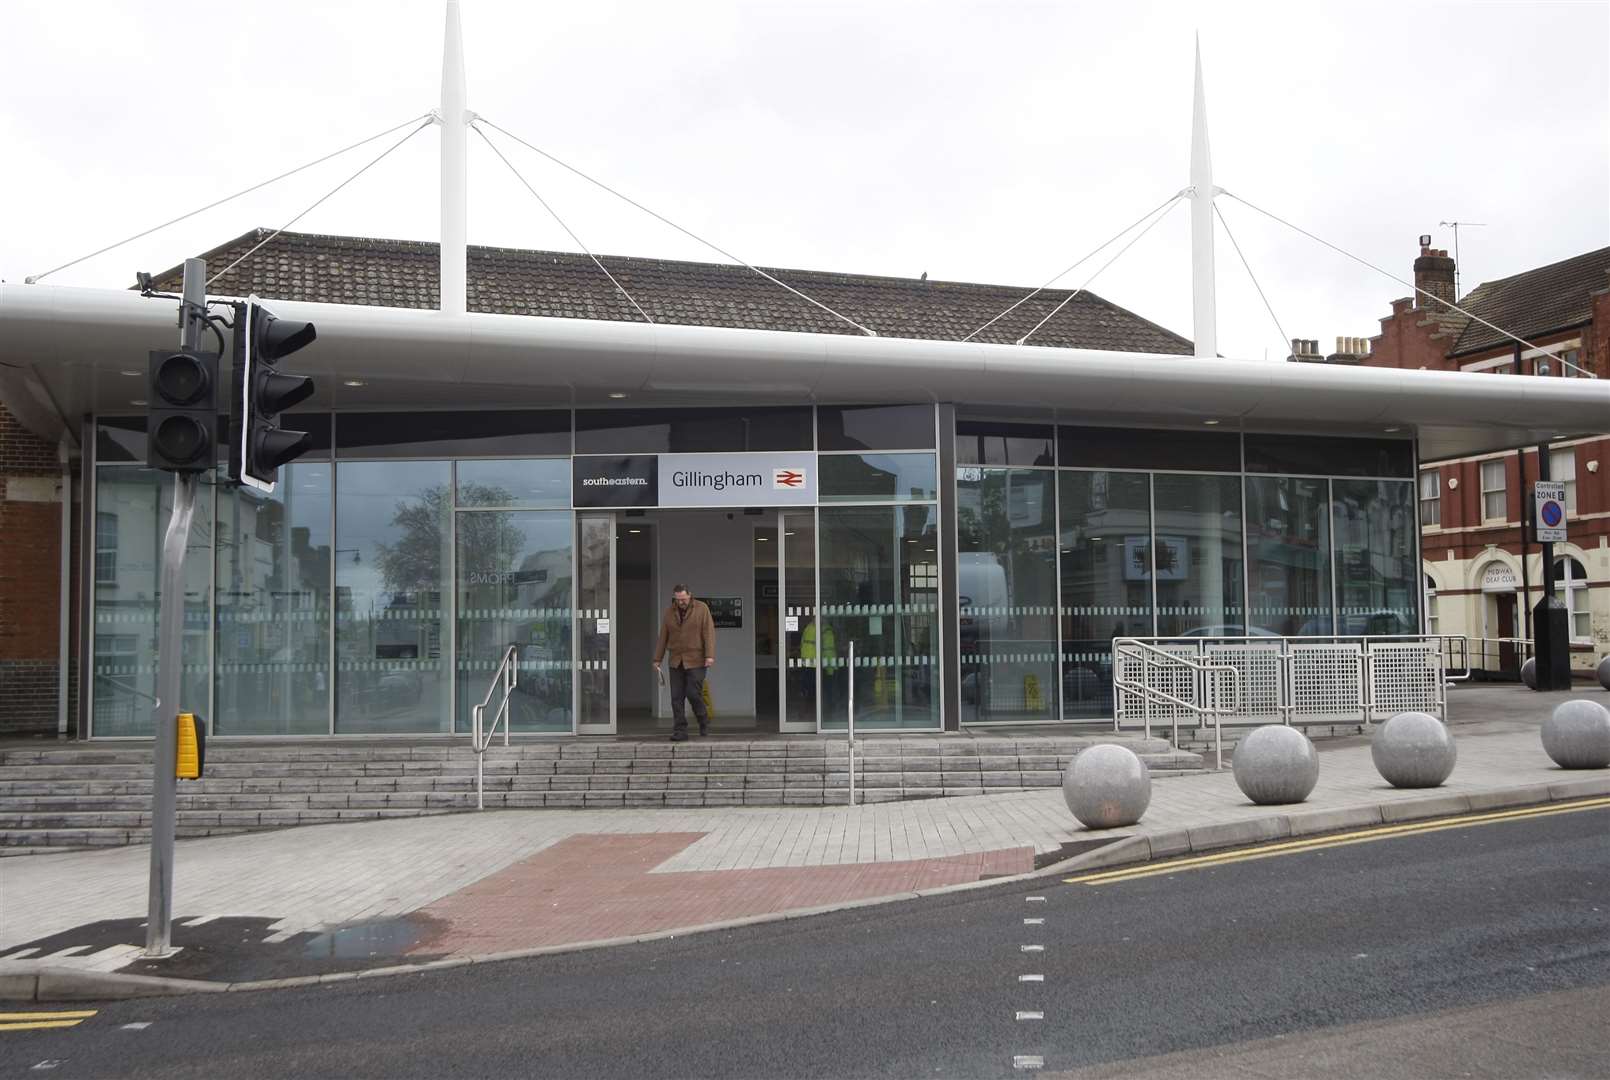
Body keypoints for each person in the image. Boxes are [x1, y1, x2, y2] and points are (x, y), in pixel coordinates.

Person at [652, 584, 715, 741]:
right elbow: (663, 637)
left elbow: (709, 633)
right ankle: (680, 730)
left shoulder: (702, 609)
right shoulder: (669, 612)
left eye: (683, 599)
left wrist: (709, 655)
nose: (681, 602)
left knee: (693, 693)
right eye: (678, 599)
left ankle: (703, 719)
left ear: (690, 595)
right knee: (676, 697)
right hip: (676, 660)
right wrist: (657, 659)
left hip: (697, 659)